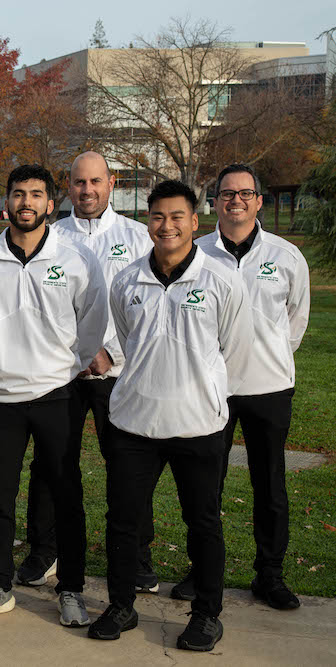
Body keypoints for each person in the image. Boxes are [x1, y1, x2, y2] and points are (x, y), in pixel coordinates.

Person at [88, 180, 252, 651]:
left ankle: (207, 614)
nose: (167, 225)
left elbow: (232, 351)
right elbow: (126, 338)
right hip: (134, 424)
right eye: (158, 217)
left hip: (197, 425)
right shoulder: (127, 280)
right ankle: (121, 605)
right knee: (123, 521)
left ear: (194, 222)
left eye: (177, 216)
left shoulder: (221, 281)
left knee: (203, 522)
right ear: (148, 223)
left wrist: (203, 394)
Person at [0, 165, 107, 626]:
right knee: (0, 497)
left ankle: (72, 590)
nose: (27, 202)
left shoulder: (77, 258)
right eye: (18, 193)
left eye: (36, 194)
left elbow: (92, 324)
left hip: (55, 394)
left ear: (49, 203)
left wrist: (65, 364)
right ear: (6, 201)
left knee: (66, 495)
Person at [22, 152, 155, 591]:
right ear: (68, 185)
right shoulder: (51, 237)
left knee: (129, 466)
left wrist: (108, 353)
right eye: (79, 183)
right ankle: (44, 551)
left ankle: (135, 556)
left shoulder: (138, 237)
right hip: (63, 375)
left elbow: (145, 306)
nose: (87, 191)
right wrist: (83, 352)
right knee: (52, 465)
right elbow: (43, 312)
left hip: (119, 374)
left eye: (96, 181)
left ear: (111, 183)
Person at [186, 164, 309, 609]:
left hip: (268, 387)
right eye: (226, 194)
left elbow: (295, 322)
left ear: (259, 201)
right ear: (214, 202)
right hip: (209, 387)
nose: (235, 200)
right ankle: (200, 572)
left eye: (245, 193)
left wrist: (267, 354)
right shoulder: (195, 253)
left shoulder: (287, 256)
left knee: (269, 484)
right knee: (204, 486)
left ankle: (269, 575)